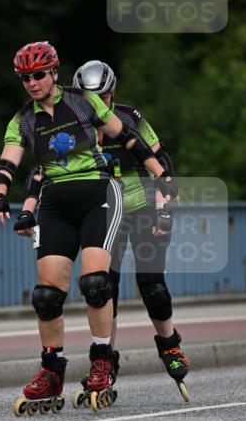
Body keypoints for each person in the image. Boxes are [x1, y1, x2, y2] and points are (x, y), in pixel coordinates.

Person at [0, 41, 174, 414]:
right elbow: (9, 161)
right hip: (56, 200)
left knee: (95, 283)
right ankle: (52, 371)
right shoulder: (23, 119)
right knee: (46, 296)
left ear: (54, 72)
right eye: (25, 77)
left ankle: (102, 360)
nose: (32, 83)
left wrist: (161, 176)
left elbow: (129, 137)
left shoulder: (83, 102)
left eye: (38, 75)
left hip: (99, 193)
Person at [72, 60, 190, 401]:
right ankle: (105, 360)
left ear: (112, 93)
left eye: (101, 96)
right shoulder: (72, 124)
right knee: (102, 288)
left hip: (144, 209)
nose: (95, 104)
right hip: (106, 214)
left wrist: (163, 212)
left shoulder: (130, 118)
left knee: (151, 285)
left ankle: (169, 345)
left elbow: (162, 163)